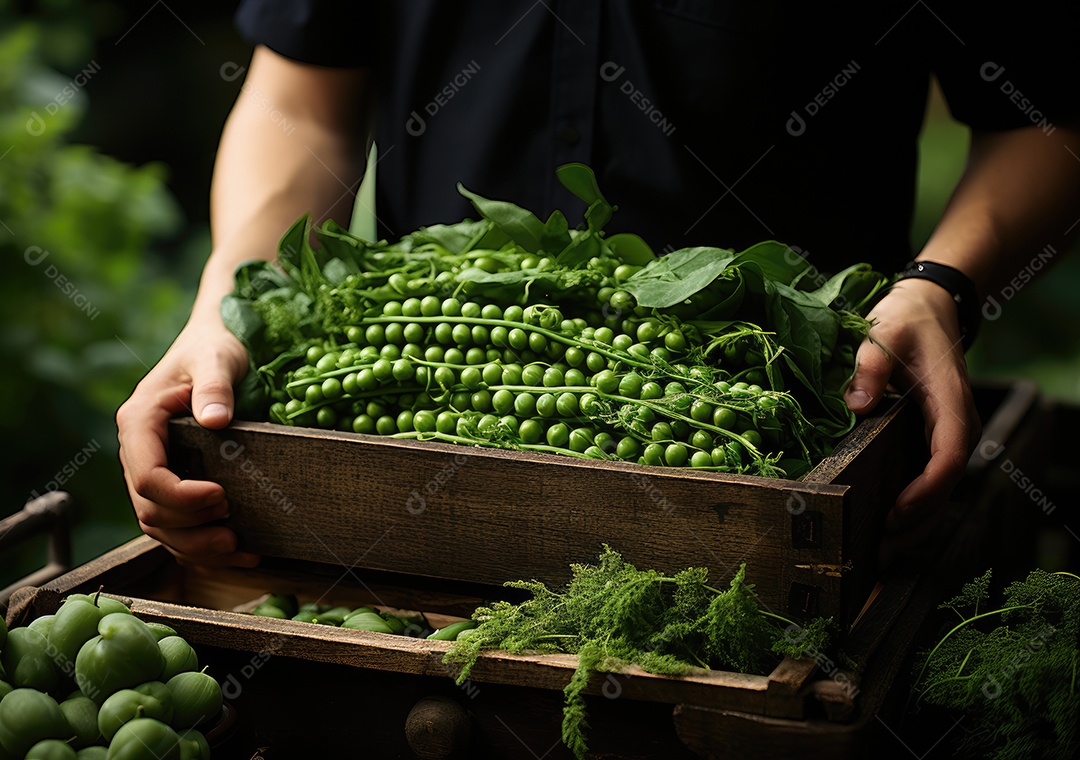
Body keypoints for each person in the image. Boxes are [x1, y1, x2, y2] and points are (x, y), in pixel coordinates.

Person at [116, 2, 1080, 568]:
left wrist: (940, 283)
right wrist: (231, 298)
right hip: (412, 456)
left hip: (798, 437)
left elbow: (1042, 118)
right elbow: (298, 101)